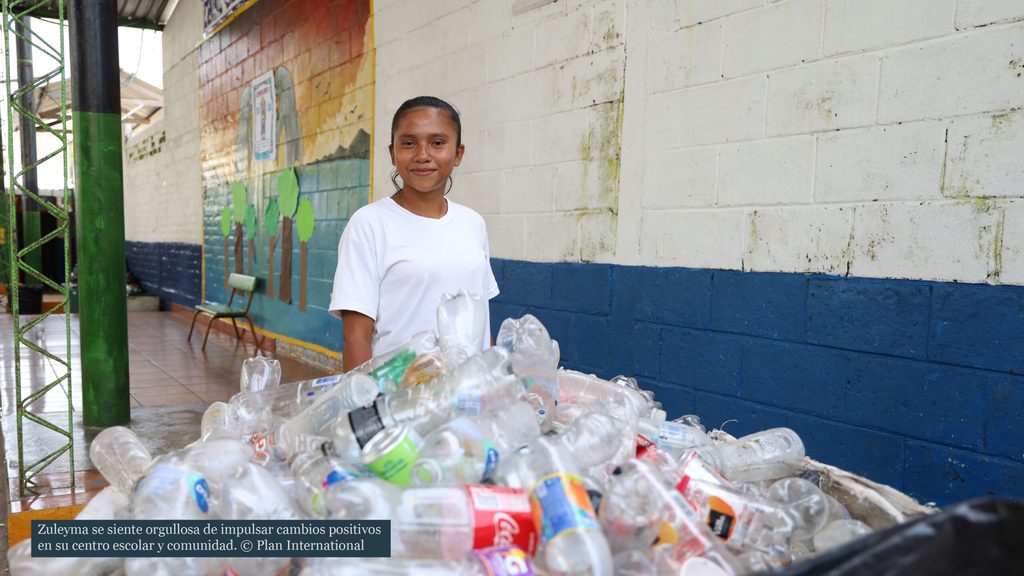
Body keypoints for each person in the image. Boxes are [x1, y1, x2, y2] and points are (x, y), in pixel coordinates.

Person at [329, 96, 500, 371]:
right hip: (400, 399)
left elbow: (482, 324)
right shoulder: (369, 224)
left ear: (458, 153)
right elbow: (356, 337)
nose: (422, 154)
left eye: (437, 143)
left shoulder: (473, 223)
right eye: (408, 143)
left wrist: (491, 383)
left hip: (470, 400)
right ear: (393, 153)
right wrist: (366, 409)